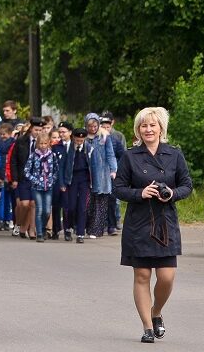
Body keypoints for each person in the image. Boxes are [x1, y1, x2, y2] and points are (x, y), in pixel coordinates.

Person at [112, 107, 193, 343]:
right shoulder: (130, 156)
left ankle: (156, 312)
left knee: (167, 277)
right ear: (138, 130)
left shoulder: (174, 154)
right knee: (142, 275)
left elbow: (187, 185)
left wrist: (172, 193)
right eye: (144, 125)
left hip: (165, 223)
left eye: (152, 125)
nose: (148, 129)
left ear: (161, 128)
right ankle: (147, 327)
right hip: (139, 223)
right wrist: (140, 193)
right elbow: (118, 189)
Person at [85, 112, 118, 238]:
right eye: (90, 126)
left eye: (95, 126)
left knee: (101, 203)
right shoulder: (83, 137)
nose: (93, 128)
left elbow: (110, 154)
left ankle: (97, 230)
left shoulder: (104, 137)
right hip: (87, 174)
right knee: (89, 203)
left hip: (102, 174)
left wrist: (113, 170)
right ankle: (87, 227)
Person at [10, 117, 43, 239]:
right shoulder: (21, 141)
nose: (38, 132)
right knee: (24, 204)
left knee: (33, 204)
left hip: (37, 178)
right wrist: (14, 178)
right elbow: (13, 160)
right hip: (23, 177)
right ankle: (19, 224)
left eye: (40, 130)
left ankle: (31, 230)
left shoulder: (43, 142)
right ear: (31, 129)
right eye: (36, 130)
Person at [24, 131, 59, 243]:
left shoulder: (52, 155)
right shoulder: (33, 155)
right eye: (41, 143)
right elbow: (26, 171)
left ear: (48, 143)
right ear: (37, 144)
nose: (43, 146)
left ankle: (43, 228)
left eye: (45, 143)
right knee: (39, 209)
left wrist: (52, 180)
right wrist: (35, 180)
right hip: (36, 187)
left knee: (47, 211)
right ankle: (39, 233)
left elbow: (56, 170)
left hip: (48, 187)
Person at [61, 128, 92, 243]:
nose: (79, 142)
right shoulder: (68, 148)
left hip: (84, 180)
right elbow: (62, 166)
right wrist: (62, 183)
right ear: (73, 138)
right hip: (71, 179)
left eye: (81, 140)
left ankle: (80, 233)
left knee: (82, 207)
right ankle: (68, 229)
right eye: (77, 140)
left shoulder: (89, 148)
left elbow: (94, 166)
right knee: (71, 206)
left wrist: (94, 183)